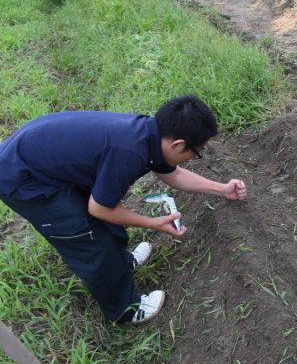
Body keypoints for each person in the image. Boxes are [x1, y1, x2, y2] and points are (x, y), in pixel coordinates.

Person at [0, 95, 247, 323]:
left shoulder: (150, 134)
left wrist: (222, 189)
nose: (194, 158)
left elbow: (172, 174)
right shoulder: (129, 151)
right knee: (86, 236)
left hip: (43, 163)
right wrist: (153, 223)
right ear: (178, 144)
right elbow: (100, 209)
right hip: (23, 179)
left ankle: (121, 262)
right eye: (197, 153)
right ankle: (124, 310)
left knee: (103, 216)